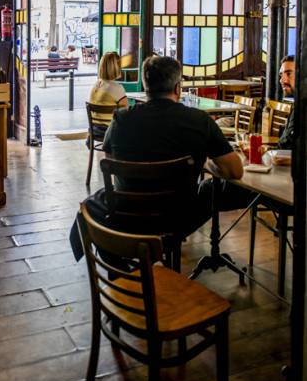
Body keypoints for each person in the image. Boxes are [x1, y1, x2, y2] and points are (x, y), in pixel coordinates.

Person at [69, 55, 243, 260]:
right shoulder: (199, 121)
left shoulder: (121, 120)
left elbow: (110, 160)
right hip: (177, 217)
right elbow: (235, 171)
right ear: (178, 87)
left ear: (146, 86)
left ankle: (120, 265)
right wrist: (206, 162)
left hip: (127, 214)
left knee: (93, 204)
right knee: (208, 189)